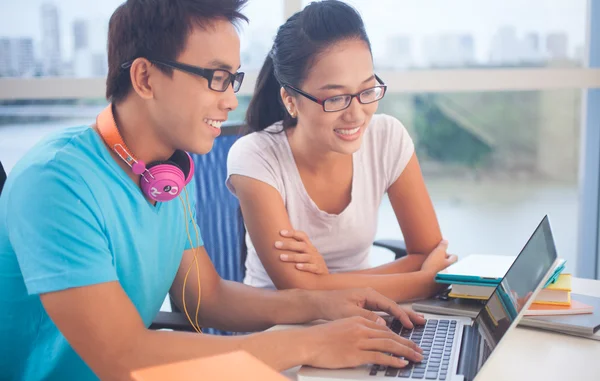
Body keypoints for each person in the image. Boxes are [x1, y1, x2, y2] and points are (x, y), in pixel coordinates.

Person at [0, 1, 427, 380]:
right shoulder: (56, 181)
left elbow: (205, 298)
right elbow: (121, 357)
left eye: (233, 79)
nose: (229, 101)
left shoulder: (165, 173)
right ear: (146, 77)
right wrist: (313, 343)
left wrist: (322, 304)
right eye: (216, 78)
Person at [227, 0, 457, 301]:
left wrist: (325, 281)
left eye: (367, 90)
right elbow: (297, 290)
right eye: (335, 99)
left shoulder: (387, 138)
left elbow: (430, 254)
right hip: (279, 328)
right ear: (291, 100)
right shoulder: (255, 156)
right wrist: (422, 281)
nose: (357, 114)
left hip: (367, 316)